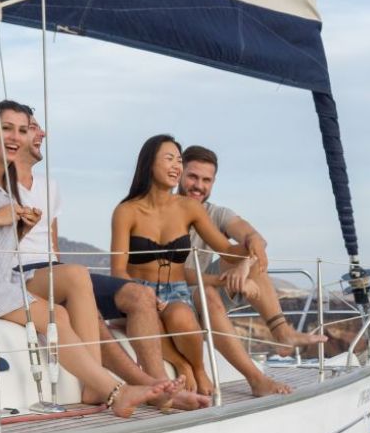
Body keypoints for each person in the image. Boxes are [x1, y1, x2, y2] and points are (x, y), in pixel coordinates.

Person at [0, 100, 175, 417]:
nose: (15, 137)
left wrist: (19, 229)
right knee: (53, 316)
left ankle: (103, 387)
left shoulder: (5, 182)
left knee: (58, 313)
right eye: (6, 128)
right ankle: (114, 390)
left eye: (21, 130)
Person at [16, 117, 209, 410]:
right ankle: (152, 387)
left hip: (56, 272)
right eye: (31, 128)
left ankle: (158, 383)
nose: (42, 133)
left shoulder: (48, 186)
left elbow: (52, 248)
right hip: (22, 275)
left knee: (138, 294)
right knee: (85, 293)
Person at [111, 134, 291, 397]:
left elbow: (227, 250)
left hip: (177, 291)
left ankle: (198, 367)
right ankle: (182, 363)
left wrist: (252, 242)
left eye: (179, 160)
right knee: (148, 318)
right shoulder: (126, 210)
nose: (176, 166)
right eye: (169, 159)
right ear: (150, 163)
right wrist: (138, 295)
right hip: (139, 290)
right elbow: (118, 270)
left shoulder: (189, 209)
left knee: (182, 317)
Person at [179, 145, 327, 356]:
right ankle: (252, 371)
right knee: (213, 287)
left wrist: (244, 266)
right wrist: (232, 279)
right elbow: (170, 274)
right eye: (192, 177)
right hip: (177, 293)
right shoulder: (165, 211)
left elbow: (256, 240)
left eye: (206, 180)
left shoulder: (215, 213)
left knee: (252, 258)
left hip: (203, 287)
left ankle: (282, 333)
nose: (198, 186)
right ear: (179, 174)